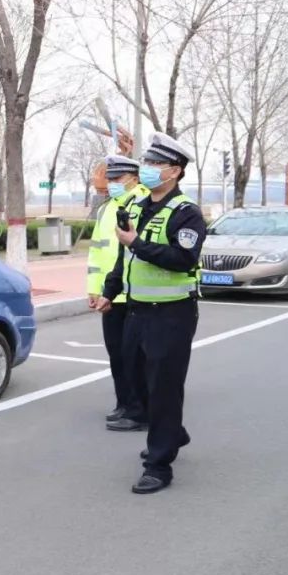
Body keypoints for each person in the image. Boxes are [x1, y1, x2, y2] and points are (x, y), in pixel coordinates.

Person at [96, 133, 206, 494]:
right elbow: (123, 257)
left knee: (163, 388)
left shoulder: (186, 213)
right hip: (137, 312)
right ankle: (173, 432)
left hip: (171, 315)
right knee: (135, 379)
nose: (147, 169)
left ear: (174, 171)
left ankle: (158, 465)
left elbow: (182, 259)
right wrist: (109, 291)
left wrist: (137, 244)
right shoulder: (141, 207)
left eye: (155, 164)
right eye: (147, 163)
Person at [87, 155, 149, 423]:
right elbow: (96, 253)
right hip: (110, 294)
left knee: (136, 356)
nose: (111, 184)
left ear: (134, 179)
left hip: (137, 293)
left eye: (117, 179)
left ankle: (140, 407)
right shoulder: (106, 209)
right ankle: (123, 403)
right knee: (116, 353)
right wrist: (94, 289)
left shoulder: (146, 203)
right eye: (109, 179)